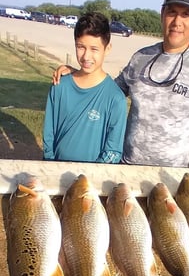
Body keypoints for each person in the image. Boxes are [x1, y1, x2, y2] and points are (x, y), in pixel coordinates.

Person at [53, 0, 189, 168]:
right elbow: (110, 91)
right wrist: (81, 72)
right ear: (162, 13)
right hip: (126, 166)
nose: (177, 21)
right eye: (172, 12)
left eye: (186, 14)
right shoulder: (140, 58)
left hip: (171, 175)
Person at [43, 12, 127, 163]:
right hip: (57, 170)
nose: (86, 56)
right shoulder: (60, 86)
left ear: (107, 49)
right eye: (81, 47)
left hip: (91, 179)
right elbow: (49, 134)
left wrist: (91, 175)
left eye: (94, 49)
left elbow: (113, 150)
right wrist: (50, 163)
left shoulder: (115, 98)